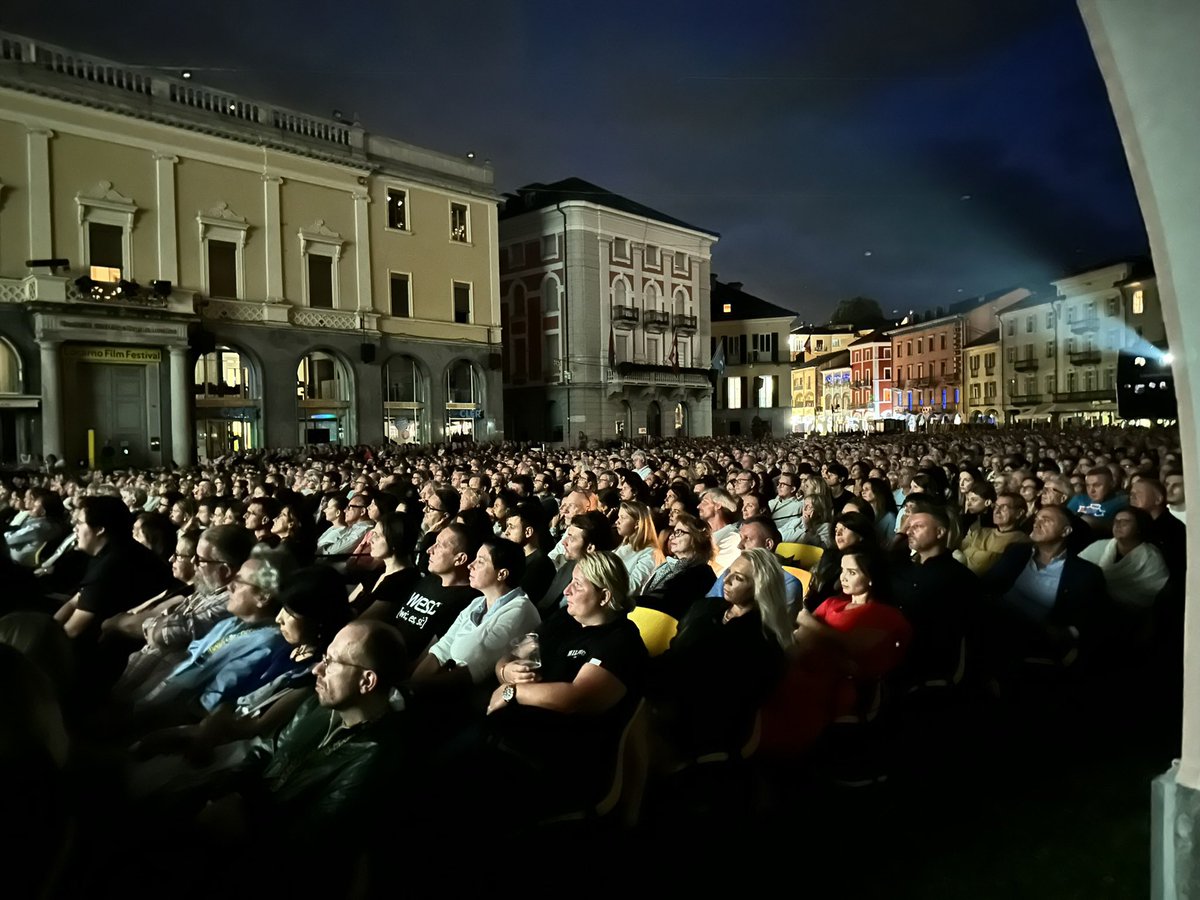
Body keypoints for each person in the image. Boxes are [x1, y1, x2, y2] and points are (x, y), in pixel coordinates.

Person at [483, 551, 648, 816]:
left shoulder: (621, 643)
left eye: (578, 585)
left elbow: (576, 698)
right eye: (570, 581)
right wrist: (506, 671)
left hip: (557, 757)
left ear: (604, 596)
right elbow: (510, 656)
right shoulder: (564, 619)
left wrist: (512, 691)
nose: (567, 590)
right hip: (509, 732)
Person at [651, 548, 792, 760]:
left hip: (709, 717)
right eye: (729, 572)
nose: (727, 580)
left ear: (759, 588)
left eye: (739, 578)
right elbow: (676, 651)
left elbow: (735, 694)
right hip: (672, 687)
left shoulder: (762, 639)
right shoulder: (705, 607)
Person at [138, 546, 300, 719]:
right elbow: (187, 660)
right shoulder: (231, 623)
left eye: (239, 582)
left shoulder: (268, 643)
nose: (229, 586)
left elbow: (210, 702)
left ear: (263, 596)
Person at [983, 505, 1110, 671]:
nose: (1037, 523)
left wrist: (1065, 633)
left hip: (1036, 640)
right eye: (1037, 519)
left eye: (1046, 520)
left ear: (1065, 531)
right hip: (995, 622)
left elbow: (1092, 621)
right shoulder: (1017, 552)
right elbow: (988, 584)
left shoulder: (1085, 573)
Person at [409, 537, 540, 696]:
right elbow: (443, 647)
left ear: (502, 574)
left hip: (470, 697)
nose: (470, 565)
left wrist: (414, 689)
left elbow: (472, 666)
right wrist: (413, 684)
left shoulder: (520, 610)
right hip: (441, 686)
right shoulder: (477, 603)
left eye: (481, 561)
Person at [386, 522, 481, 660]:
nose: (430, 550)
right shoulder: (428, 581)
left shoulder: (468, 600)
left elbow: (435, 652)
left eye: (440, 545)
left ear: (460, 559)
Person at [1078, 507, 1168, 612]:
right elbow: (1076, 568)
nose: (1118, 525)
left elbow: (1154, 589)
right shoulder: (1099, 546)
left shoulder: (1151, 556)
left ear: (1139, 527)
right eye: (1116, 521)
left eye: (1125, 521)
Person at [638, 513, 717, 620]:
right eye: (673, 532)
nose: (671, 537)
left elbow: (668, 603)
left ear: (696, 538)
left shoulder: (702, 574)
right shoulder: (668, 566)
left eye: (678, 532)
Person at [350, 512, 423, 618]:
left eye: (378, 536)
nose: (370, 540)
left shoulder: (402, 581)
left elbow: (364, 621)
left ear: (395, 541)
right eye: (373, 534)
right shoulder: (379, 571)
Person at [957, 492, 1031, 575]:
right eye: (996, 506)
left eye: (1003, 508)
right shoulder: (979, 532)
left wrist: (970, 554)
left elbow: (983, 568)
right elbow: (957, 554)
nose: (996, 511)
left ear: (1019, 513)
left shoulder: (1022, 541)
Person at [500, 502, 556, 605]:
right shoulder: (515, 556)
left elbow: (519, 599)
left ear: (528, 532)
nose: (506, 532)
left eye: (512, 527)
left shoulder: (541, 564)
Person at [614, 501, 661, 595]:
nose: (617, 521)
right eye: (619, 517)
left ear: (637, 524)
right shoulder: (624, 544)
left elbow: (633, 587)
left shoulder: (650, 553)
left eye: (623, 518)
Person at [697, 487, 740, 573]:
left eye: (705, 502)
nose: (698, 506)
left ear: (718, 505)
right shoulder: (702, 534)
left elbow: (717, 570)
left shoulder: (732, 536)